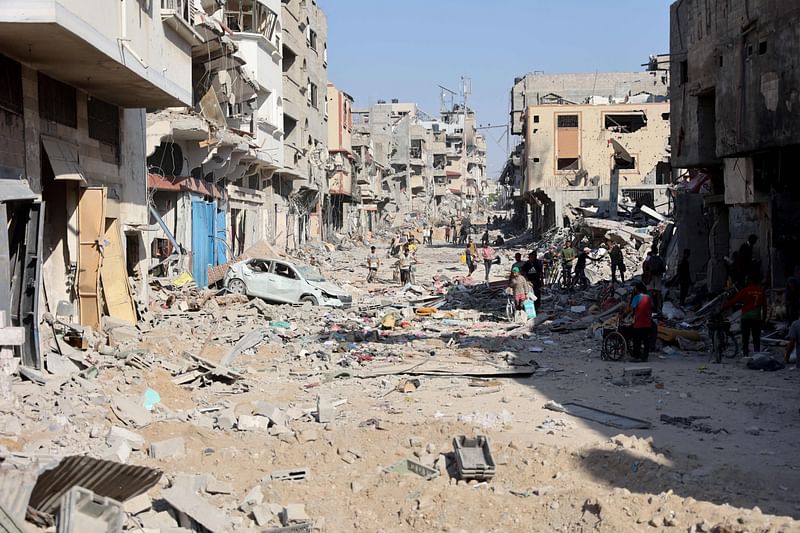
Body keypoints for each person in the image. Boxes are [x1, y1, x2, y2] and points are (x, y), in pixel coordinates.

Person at [722, 274, 766, 358]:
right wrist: (763, 319)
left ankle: (746, 354)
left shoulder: (745, 290)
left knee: (745, 337)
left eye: (746, 279)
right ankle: (757, 355)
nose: (745, 281)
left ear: (749, 281)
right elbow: (764, 307)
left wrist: (724, 307)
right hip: (756, 318)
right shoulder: (761, 291)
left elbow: (734, 300)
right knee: (756, 337)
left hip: (746, 317)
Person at [622, 282, 653, 361]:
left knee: (637, 339)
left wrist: (623, 315)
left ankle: (636, 356)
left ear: (637, 289)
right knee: (645, 339)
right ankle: (645, 356)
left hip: (639, 322)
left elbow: (630, 309)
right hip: (647, 321)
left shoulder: (636, 297)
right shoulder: (648, 297)